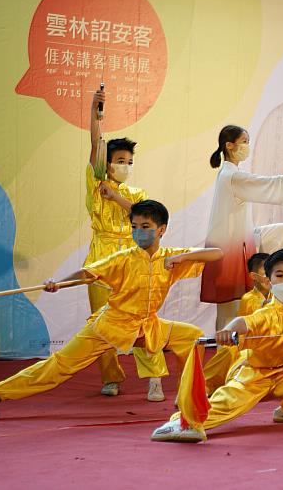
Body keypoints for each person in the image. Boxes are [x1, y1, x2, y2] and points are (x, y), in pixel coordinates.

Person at [0, 200, 223, 422]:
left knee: (192, 337)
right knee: (58, 366)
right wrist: (59, 283)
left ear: (161, 230)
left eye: (145, 227)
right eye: (134, 227)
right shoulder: (123, 258)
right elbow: (87, 273)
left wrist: (181, 258)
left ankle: (187, 396)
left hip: (148, 326)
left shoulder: (171, 257)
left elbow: (217, 253)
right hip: (111, 326)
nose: (139, 232)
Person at [151, 210, 283, 442]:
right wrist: (229, 330)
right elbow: (243, 322)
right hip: (257, 374)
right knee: (220, 408)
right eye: (280, 275)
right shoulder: (267, 312)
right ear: (269, 281)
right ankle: (182, 423)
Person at [200, 124, 283, 331]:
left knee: (281, 230)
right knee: (231, 309)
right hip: (229, 249)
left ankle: (276, 278)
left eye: (248, 142)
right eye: (244, 142)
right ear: (229, 145)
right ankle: (226, 348)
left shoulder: (231, 174)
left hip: (240, 241)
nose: (247, 146)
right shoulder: (232, 176)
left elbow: (268, 185)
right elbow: (269, 184)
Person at [85, 89, 165, 402]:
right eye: (120, 161)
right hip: (101, 259)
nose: (126, 166)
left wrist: (117, 197)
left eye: (129, 162)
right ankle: (110, 377)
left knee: (142, 321)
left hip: (132, 259)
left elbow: (142, 213)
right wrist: (95, 112)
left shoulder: (136, 193)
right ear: (107, 164)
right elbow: (95, 145)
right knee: (102, 323)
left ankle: (154, 378)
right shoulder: (96, 184)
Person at [202, 253, 283, 395]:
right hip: (254, 348)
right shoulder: (251, 298)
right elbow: (261, 315)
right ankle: (207, 386)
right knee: (228, 352)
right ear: (258, 277)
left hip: (278, 347)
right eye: (278, 275)